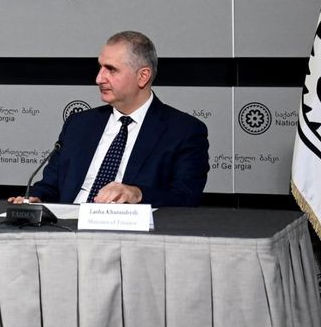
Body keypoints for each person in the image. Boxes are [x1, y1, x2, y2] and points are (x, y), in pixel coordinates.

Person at [10, 30, 208, 206]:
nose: (99, 78)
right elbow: (50, 187)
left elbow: (186, 197)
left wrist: (137, 194)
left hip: (129, 235)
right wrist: (36, 198)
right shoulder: (79, 124)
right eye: (100, 67)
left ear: (143, 76)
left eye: (111, 69)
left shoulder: (183, 131)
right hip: (67, 229)